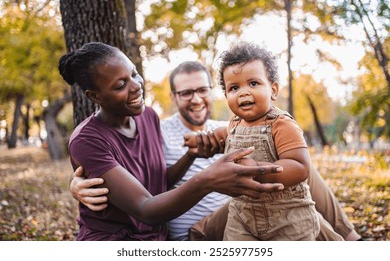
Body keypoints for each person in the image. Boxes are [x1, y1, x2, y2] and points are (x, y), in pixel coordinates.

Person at [70, 59, 361, 241]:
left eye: (202, 90)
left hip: (241, 217)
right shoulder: (157, 127)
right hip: (196, 233)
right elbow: (134, 180)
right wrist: (78, 183)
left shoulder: (235, 125)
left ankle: (352, 242)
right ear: (173, 97)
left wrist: (194, 155)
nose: (196, 100)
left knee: (295, 175)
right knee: (291, 182)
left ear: (214, 90)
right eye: (186, 93)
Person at [59, 42, 284, 241]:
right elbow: (145, 208)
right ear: (95, 96)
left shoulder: (147, 117)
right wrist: (208, 180)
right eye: (120, 85)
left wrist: (191, 156)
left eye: (134, 74)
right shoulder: (87, 140)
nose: (136, 86)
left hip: (156, 238)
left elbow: (158, 183)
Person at [185, 42, 320, 240]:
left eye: (253, 83)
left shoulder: (281, 124)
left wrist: (258, 169)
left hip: (288, 217)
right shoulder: (234, 125)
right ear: (226, 95)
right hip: (242, 217)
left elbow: (300, 166)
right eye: (234, 87)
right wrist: (201, 139)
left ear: (273, 90)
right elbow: (223, 135)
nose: (243, 92)